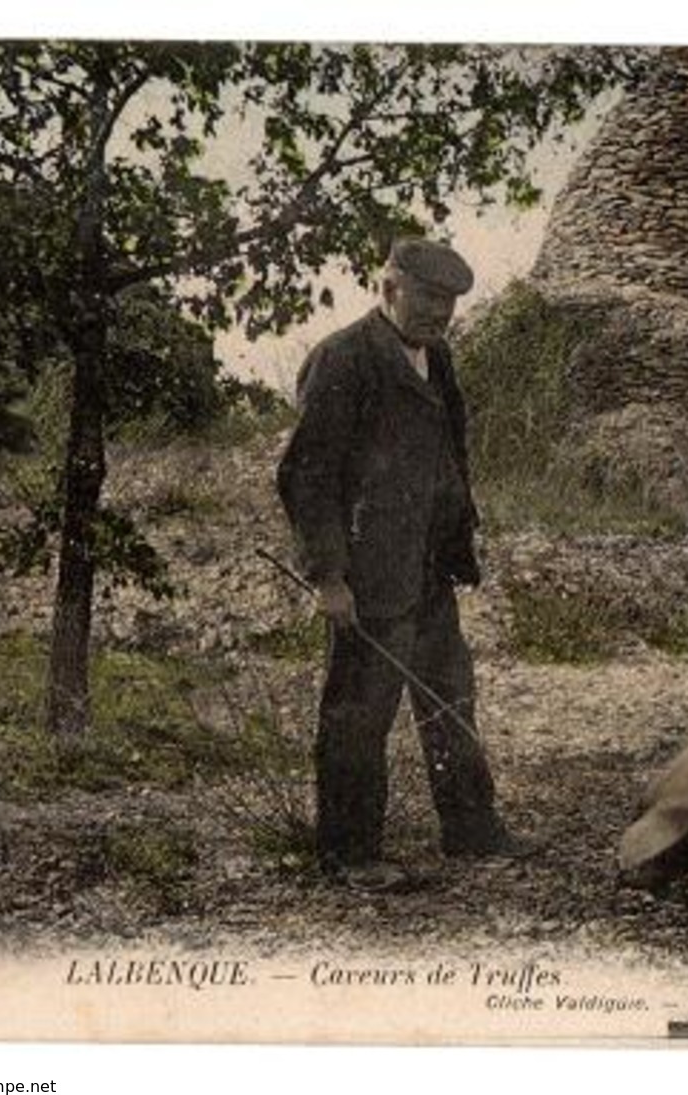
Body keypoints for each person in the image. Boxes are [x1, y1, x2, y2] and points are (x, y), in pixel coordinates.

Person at [278, 237, 531, 891]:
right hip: (369, 575)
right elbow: (308, 477)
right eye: (426, 300)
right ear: (387, 288)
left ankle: (471, 830)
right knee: (359, 716)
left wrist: (457, 539)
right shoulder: (342, 359)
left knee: (451, 699)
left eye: (448, 304)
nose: (439, 316)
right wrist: (328, 576)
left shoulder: (438, 359)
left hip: (429, 570)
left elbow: (449, 454)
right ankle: (350, 852)